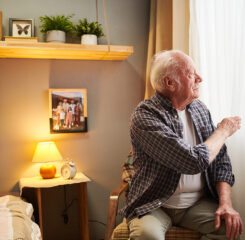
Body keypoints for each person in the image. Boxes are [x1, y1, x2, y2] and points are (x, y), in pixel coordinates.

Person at [120, 50, 243, 240]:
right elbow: (192, 161)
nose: (199, 78)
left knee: (233, 226)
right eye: (191, 74)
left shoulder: (200, 109)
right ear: (170, 83)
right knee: (147, 236)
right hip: (154, 204)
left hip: (196, 204)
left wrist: (225, 203)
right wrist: (224, 131)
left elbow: (220, 160)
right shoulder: (145, 115)